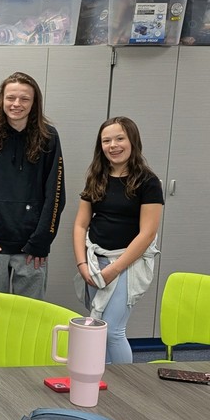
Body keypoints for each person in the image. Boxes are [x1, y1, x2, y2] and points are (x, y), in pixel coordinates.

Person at [73, 117, 163, 364]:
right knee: (97, 328)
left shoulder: (148, 182)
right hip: (95, 261)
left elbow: (147, 234)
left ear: (133, 141)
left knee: (112, 331)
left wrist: (114, 269)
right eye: (106, 140)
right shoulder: (96, 177)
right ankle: (100, 379)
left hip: (127, 264)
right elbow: (80, 225)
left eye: (119, 138)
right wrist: (82, 265)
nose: (113, 145)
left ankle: (125, 384)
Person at [0, 71, 65, 301]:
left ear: (34, 103)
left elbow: (55, 193)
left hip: (32, 248)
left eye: (24, 99)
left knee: (29, 315)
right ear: (1, 100)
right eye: (11, 97)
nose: (16, 104)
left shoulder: (49, 137)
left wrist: (42, 240)